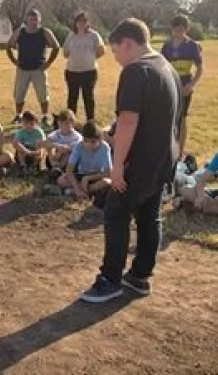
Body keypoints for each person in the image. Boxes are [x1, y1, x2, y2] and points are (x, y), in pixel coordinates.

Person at [80, 18, 182, 303]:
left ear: (128, 43)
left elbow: (128, 121)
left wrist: (118, 166)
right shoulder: (167, 67)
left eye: (115, 51)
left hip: (140, 161)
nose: (116, 58)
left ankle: (110, 279)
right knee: (150, 215)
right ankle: (139, 277)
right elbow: (177, 120)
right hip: (164, 159)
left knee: (116, 210)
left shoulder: (137, 71)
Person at [6, 9, 60, 128]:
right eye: (31, 19)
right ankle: (19, 115)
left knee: (43, 94)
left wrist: (48, 63)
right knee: (19, 94)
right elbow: (9, 46)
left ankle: (45, 116)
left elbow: (56, 46)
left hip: (39, 69)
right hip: (23, 68)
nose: (33, 22)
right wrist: (15, 61)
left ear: (39, 20)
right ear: (27, 19)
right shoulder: (20, 31)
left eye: (35, 19)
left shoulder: (44, 32)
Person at [161, 14, 204, 155]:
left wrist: (191, 85)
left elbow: (200, 68)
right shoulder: (166, 46)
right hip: (170, 84)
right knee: (170, 116)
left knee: (182, 118)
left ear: (187, 28)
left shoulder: (192, 46)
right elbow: (162, 67)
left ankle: (180, 151)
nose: (178, 31)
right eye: (175, 28)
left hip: (185, 85)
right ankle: (169, 147)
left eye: (181, 28)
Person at [63, 12, 106, 121]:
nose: (81, 23)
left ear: (88, 23)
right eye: (79, 21)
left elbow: (102, 50)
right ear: (76, 23)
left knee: (88, 97)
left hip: (89, 72)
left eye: (84, 21)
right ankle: (70, 122)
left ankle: (90, 121)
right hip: (72, 71)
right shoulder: (71, 35)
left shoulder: (94, 35)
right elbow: (65, 52)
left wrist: (91, 58)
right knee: (72, 98)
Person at [57, 121, 112, 199]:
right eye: (86, 141)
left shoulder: (105, 147)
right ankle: (82, 191)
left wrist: (88, 178)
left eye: (93, 142)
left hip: (96, 176)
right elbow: (69, 170)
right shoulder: (78, 146)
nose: (89, 145)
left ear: (100, 139)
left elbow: (108, 173)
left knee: (107, 182)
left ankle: (76, 191)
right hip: (81, 174)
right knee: (61, 180)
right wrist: (77, 189)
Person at [42, 109, 82, 179]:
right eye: (61, 123)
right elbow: (45, 143)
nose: (64, 126)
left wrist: (61, 149)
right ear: (58, 123)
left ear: (72, 123)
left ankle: (58, 169)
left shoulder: (77, 136)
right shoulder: (57, 133)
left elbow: (70, 149)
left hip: (70, 162)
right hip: (55, 159)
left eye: (66, 123)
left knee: (69, 152)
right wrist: (57, 146)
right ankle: (54, 166)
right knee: (49, 146)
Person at [12, 111, 46, 175]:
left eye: (31, 123)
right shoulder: (20, 132)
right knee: (19, 149)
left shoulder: (39, 132)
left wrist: (36, 151)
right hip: (24, 150)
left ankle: (35, 166)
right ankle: (23, 165)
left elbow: (42, 144)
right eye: (24, 122)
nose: (24, 124)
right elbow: (15, 143)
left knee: (41, 151)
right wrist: (27, 151)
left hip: (35, 150)